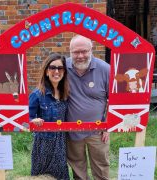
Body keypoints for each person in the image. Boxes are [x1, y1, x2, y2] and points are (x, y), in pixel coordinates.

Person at [66, 35, 110, 180]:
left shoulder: (105, 69)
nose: (80, 56)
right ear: (70, 51)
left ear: (91, 50)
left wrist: (107, 126)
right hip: (72, 130)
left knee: (101, 166)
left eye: (84, 51)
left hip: (97, 131)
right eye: (75, 52)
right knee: (78, 168)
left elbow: (114, 100)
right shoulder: (62, 68)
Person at [29, 53, 70, 180]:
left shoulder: (65, 93)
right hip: (44, 145)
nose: (56, 71)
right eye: (52, 67)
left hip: (61, 143)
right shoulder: (37, 94)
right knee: (42, 176)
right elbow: (24, 119)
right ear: (46, 71)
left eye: (60, 68)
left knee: (61, 176)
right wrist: (32, 120)